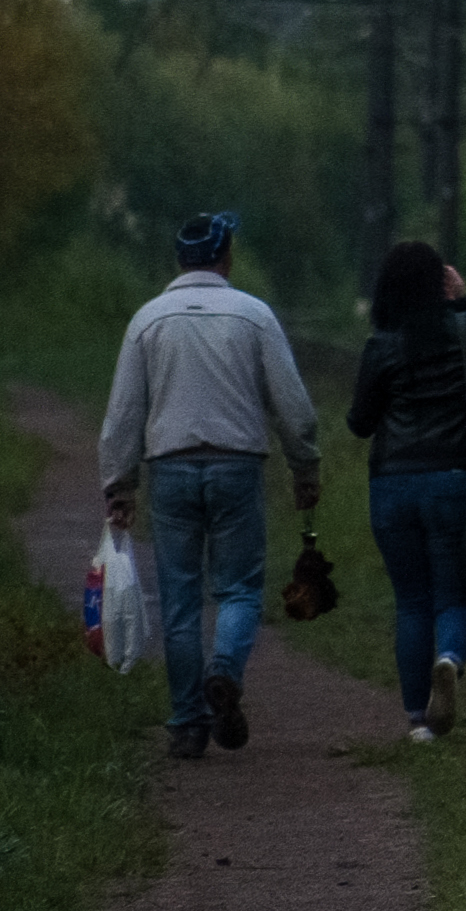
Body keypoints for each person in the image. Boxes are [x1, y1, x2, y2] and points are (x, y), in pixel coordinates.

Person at [96, 210, 322, 760]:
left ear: (179, 259)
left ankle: (186, 725)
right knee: (240, 588)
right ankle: (223, 669)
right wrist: (305, 467)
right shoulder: (253, 315)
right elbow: (292, 406)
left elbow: (125, 412)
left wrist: (120, 485)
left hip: (169, 469)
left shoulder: (147, 320)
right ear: (225, 257)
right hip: (236, 466)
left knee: (179, 599)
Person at [346, 240, 466, 742]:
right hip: (454, 481)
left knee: (411, 603)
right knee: (453, 596)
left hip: (392, 484)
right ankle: (449, 660)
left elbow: (359, 424)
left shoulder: (380, 345)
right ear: (439, 283)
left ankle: (418, 722)